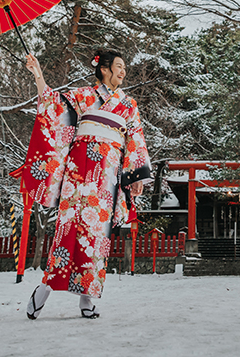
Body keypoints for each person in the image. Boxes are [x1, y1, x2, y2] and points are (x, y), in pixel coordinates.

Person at [20, 49, 151, 320]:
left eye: (124, 67)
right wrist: (38, 74)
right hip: (79, 172)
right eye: (118, 66)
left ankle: (87, 300)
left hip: (108, 174)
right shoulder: (84, 95)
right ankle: (44, 289)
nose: (123, 71)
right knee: (67, 229)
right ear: (104, 69)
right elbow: (53, 105)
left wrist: (136, 177)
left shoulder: (129, 104)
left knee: (97, 237)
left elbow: (135, 138)